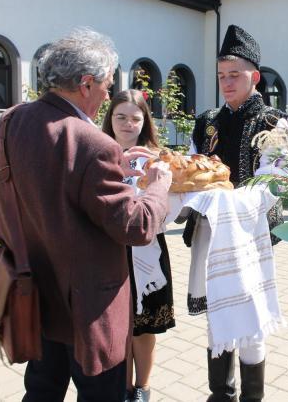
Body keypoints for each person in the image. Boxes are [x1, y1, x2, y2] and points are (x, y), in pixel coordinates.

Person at [0, 28, 172, 402]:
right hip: (88, 310)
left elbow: (53, 184)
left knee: (41, 390)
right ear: (86, 83)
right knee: (101, 394)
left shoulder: (11, 121)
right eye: (107, 84)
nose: (109, 94)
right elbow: (136, 227)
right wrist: (158, 185)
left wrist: (116, 173)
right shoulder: (93, 143)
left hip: (35, 292)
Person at [187, 24, 286, 402]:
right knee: (217, 313)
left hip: (251, 234)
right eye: (221, 76)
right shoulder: (207, 121)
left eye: (235, 75)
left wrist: (233, 204)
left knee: (249, 316)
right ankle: (220, 394)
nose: (227, 83)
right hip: (210, 232)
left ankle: (252, 397)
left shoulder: (272, 122)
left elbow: (275, 181)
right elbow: (193, 169)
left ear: (254, 77)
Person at [102, 90, 175, 402]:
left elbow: (172, 211)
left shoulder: (160, 159)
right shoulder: (98, 153)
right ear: (110, 119)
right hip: (108, 253)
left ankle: (142, 387)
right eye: (121, 116)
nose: (128, 124)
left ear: (145, 121)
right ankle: (123, 386)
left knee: (145, 327)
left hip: (148, 252)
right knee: (116, 326)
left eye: (135, 117)